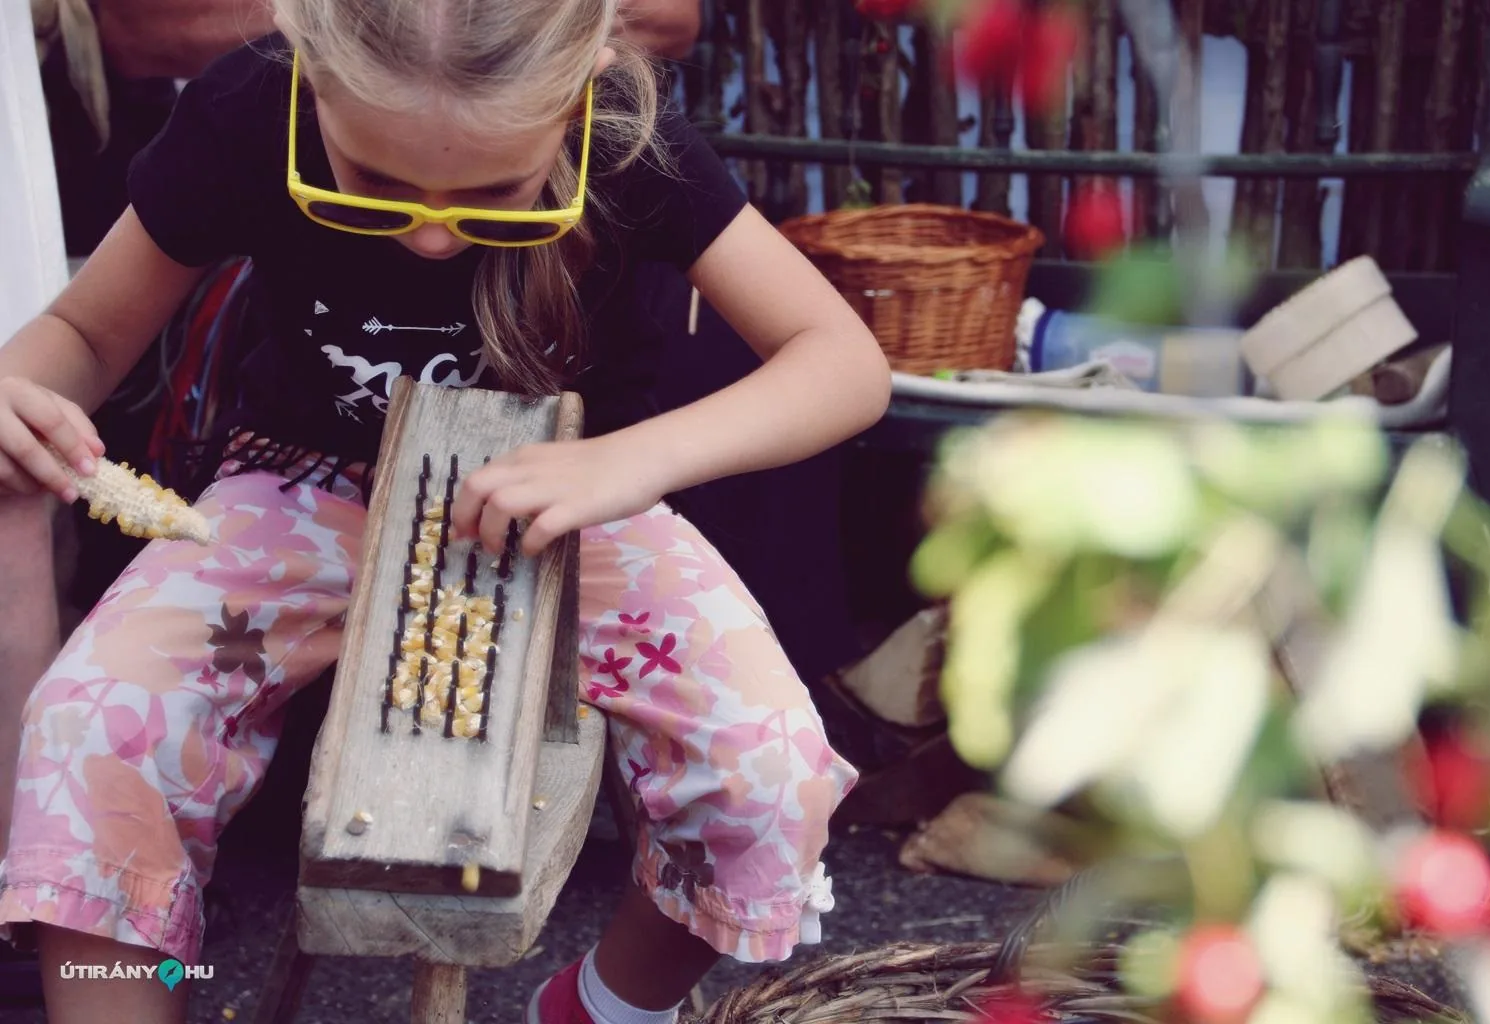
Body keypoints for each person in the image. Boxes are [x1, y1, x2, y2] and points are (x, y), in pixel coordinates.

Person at [0, 1, 891, 1021]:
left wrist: (629, 462)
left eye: (496, 194)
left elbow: (844, 363)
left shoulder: (626, 140)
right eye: (371, 187)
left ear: (583, 82)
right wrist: (20, 383)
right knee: (88, 730)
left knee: (766, 769)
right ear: (311, 66)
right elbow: (84, 327)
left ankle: (605, 1005)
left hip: (573, 505)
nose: (428, 238)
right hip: (307, 487)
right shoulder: (249, 112)